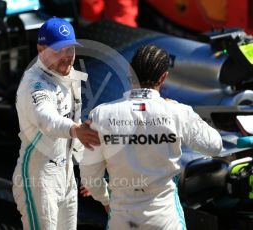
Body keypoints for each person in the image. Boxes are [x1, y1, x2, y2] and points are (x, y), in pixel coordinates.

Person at [80, 44, 223, 229]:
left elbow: (90, 175)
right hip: (165, 219)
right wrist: (187, 115)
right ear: (164, 77)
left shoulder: (100, 115)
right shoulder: (177, 112)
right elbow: (215, 145)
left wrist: (105, 200)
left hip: (121, 219)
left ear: (130, 74)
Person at [12, 17, 99, 230]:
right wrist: (75, 130)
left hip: (66, 173)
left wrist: (87, 168)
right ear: (41, 49)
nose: (66, 57)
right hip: (38, 177)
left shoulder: (71, 77)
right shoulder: (34, 84)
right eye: (58, 50)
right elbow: (46, 119)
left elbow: (76, 123)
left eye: (70, 49)